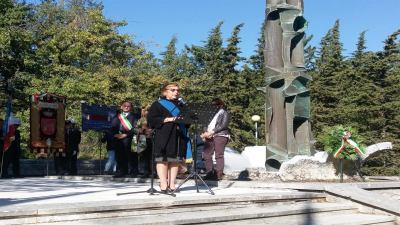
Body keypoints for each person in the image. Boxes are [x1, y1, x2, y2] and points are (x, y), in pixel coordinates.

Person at [147, 82, 190, 193]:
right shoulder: (158, 104)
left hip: (178, 135)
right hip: (164, 135)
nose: (176, 92)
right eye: (173, 90)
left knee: (174, 160)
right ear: (165, 92)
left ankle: (172, 184)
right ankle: (163, 184)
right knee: (163, 159)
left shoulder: (181, 105)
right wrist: (169, 119)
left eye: (177, 90)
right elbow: (151, 120)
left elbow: (187, 121)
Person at [200, 98, 230, 181]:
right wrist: (206, 132)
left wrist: (212, 132)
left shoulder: (225, 113)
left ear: (221, 105)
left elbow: (223, 125)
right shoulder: (210, 114)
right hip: (209, 135)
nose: (213, 107)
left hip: (220, 135)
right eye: (212, 105)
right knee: (206, 154)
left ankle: (219, 174)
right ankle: (210, 173)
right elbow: (205, 124)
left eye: (216, 105)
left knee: (218, 155)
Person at [111, 101, 138, 177]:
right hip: (118, 139)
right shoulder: (117, 116)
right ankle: (121, 171)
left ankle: (133, 172)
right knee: (119, 156)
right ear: (121, 107)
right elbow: (112, 128)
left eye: (128, 106)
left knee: (132, 156)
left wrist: (126, 135)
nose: (126, 107)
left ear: (131, 107)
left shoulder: (135, 116)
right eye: (124, 105)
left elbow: (135, 128)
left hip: (130, 138)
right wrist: (115, 135)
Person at [137, 106, 153, 178]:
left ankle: (153, 172)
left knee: (152, 156)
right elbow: (137, 129)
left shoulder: (154, 119)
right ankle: (145, 172)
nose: (147, 112)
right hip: (143, 138)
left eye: (149, 110)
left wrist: (151, 130)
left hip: (152, 138)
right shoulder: (141, 119)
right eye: (146, 110)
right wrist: (141, 130)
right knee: (144, 156)